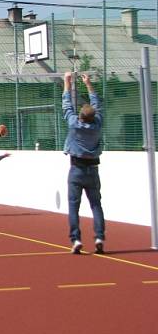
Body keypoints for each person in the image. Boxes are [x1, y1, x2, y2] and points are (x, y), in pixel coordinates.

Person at [63, 71, 105, 254]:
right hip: (93, 170)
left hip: (77, 169)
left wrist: (67, 81)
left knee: (74, 206)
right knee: (96, 205)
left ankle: (76, 239)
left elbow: (66, 106)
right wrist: (88, 83)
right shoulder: (98, 124)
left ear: (81, 116)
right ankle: (99, 236)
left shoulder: (74, 124)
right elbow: (96, 104)